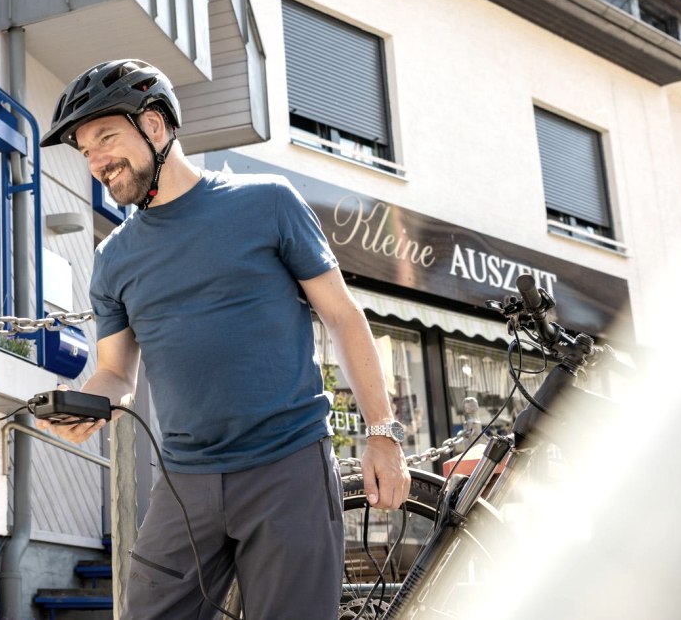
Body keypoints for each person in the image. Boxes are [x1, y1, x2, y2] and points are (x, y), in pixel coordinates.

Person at [33, 59, 412, 619]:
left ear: (155, 125)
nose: (96, 163)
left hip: (289, 468)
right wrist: (90, 404)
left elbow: (342, 317)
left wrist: (382, 436)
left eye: (106, 139)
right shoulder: (112, 258)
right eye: (85, 151)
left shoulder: (268, 203)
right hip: (187, 481)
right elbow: (117, 372)